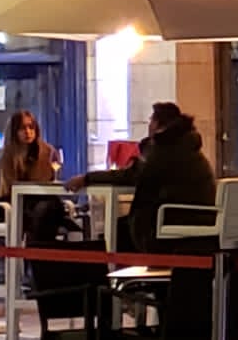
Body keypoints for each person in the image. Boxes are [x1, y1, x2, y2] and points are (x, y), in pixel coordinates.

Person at [70, 102, 216, 251]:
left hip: (170, 222)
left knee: (115, 233)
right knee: (122, 228)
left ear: (157, 123)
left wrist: (87, 178)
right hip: (200, 219)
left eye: (151, 120)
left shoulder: (164, 149)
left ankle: (113, 271)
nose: (149, 125)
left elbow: (130, 175)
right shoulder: (188, 147)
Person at [0, 110, 67, 244]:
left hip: (41, 201)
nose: (28, 132)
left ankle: (37, 255)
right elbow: (10, 187)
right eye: (22, 128)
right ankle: (37, 256)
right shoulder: (5, 155)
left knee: (49, 208)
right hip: (12, 204)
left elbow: (47, 180)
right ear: (14, 131)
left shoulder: (45, 151)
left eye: (31, 127)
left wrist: (40, 157)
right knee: (44, 212)